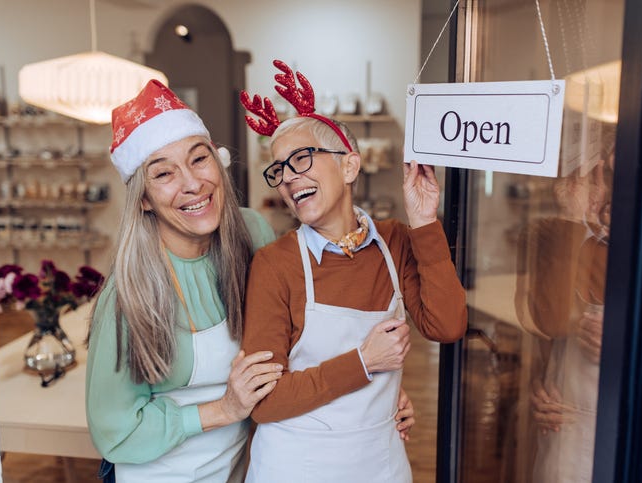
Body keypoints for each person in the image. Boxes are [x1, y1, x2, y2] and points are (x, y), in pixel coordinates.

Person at [85, 79, 415, 483]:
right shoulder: (127, 295)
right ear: (143, 199)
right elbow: (114, 430)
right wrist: (226, 408)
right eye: (164, 173)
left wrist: (376, 394)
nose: (192, 183)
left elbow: (296, 342)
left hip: (240, 469)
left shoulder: (252, 233)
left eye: (199, 159)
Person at [239, 60, 468, 483]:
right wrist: (363, 362)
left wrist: (424, 223)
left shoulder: (396, 242)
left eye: (301, 159)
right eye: (279, 170)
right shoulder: (275, 264)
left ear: (349, 166)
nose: (288, 179)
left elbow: (447, 325)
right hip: (294, 468)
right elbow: (264, 401)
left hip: (379, 465)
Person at [514, 153, 612, 483]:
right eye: (601, 176)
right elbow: (546, 323)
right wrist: (537, 384)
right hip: (567, 425)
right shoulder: (564, 238)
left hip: (621, 427)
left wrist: (622, 347)